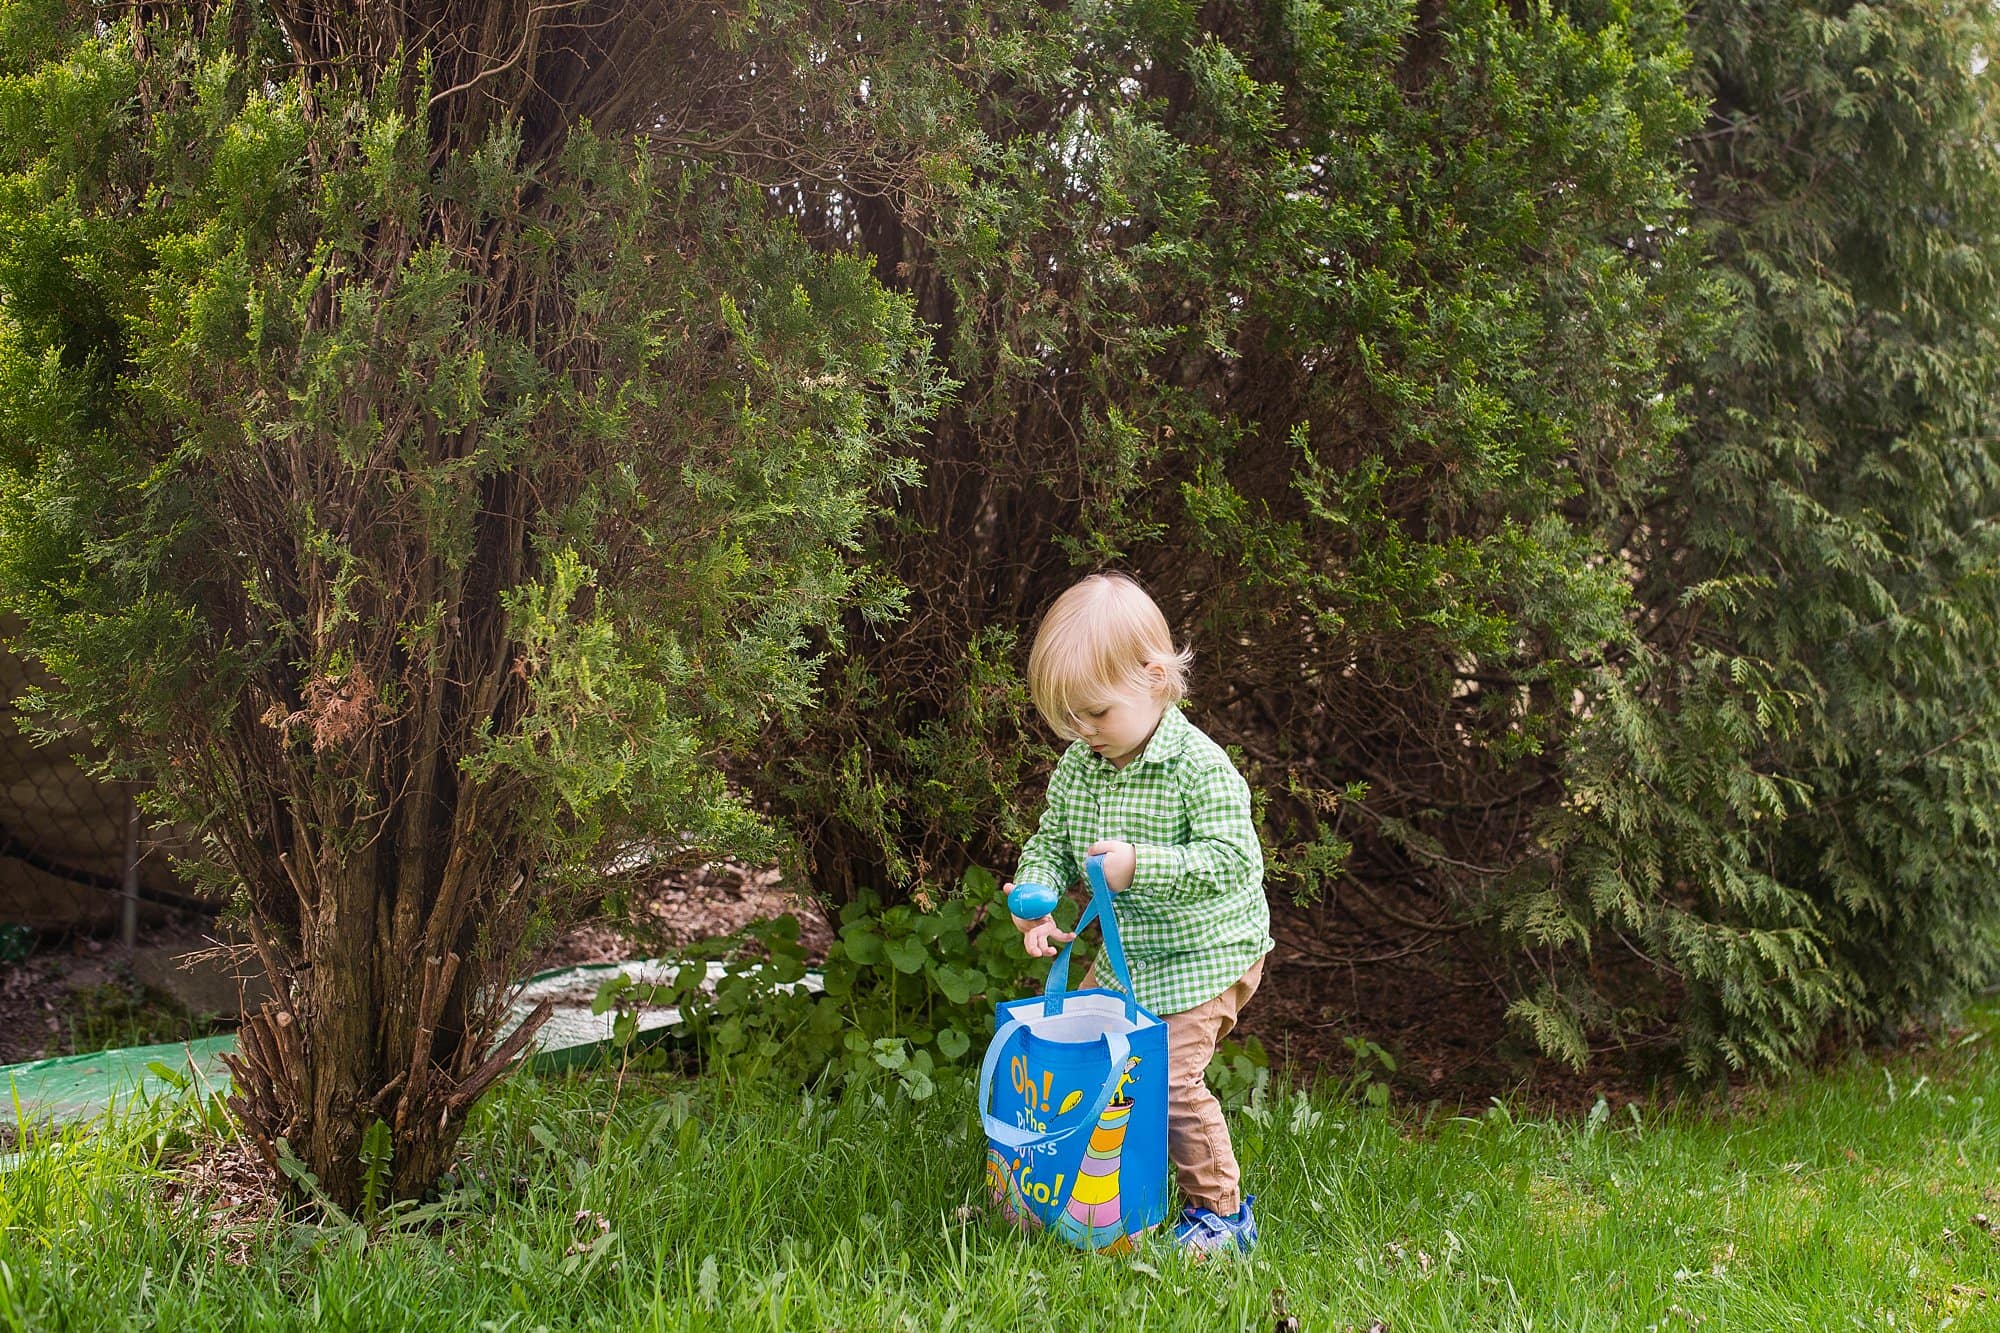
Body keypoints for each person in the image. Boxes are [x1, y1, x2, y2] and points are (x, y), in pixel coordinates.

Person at [1005, 571, 1273, 1257]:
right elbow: (1050, 844)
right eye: (1068, 717)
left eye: (1094, 712)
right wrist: (1033, 900)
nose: (1081, 730)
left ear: (1155, 677)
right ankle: (1098, 1182)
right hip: (1132, 953)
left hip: (1207, 951)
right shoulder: (1079, 766)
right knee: (1093, 1057)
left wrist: (1140, 865)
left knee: (1168, 1075)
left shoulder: (1199, 768)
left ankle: (1222, 1213)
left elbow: (1233, 862)